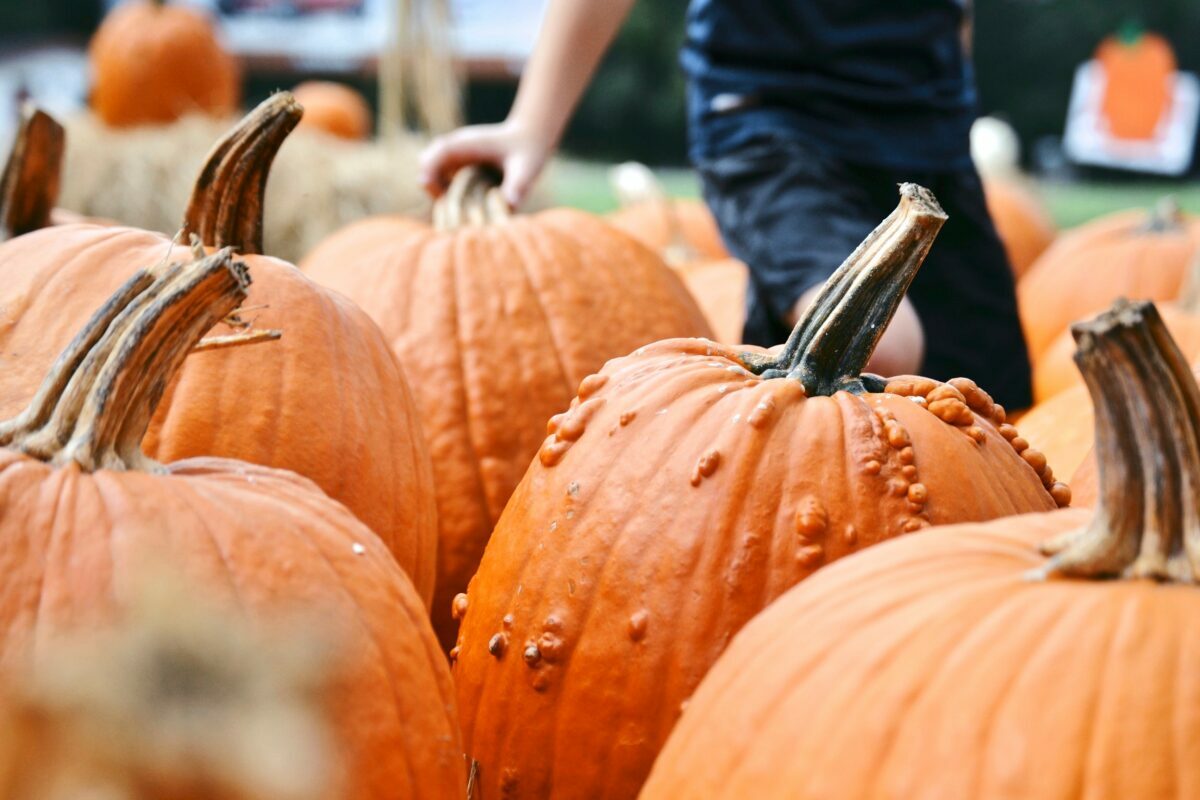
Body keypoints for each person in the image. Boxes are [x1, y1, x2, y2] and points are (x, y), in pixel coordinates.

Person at [420, 0, 1033, 410]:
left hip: (927, 123)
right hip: (770, 117)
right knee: (881, 346)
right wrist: (532, 124)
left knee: (994, 399)